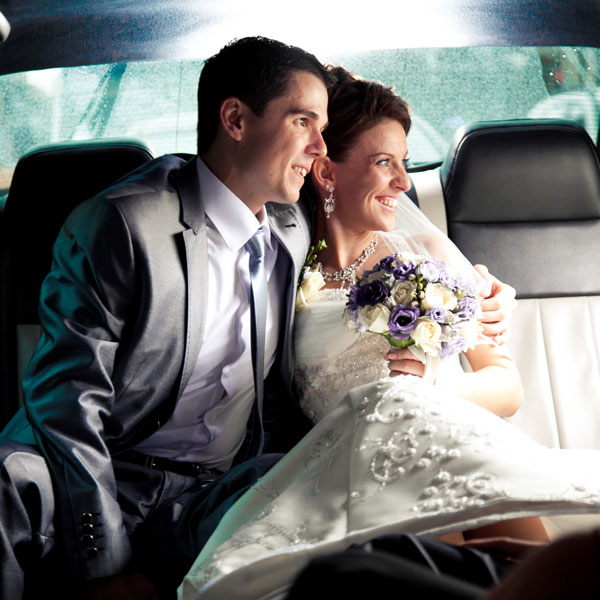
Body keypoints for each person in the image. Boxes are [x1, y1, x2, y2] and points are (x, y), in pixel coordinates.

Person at [177, 67, 600, 599]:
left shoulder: (428, 258)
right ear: (326, 173)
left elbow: (506, 384)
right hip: (347, 475)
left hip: (451, 444)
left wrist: (430, 392)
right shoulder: (280, 270)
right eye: (385, 163)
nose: (403, 183)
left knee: (407, 419)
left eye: (403, 163)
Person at [0, 36, 331, 599]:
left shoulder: (292, 230)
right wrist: (104, 561)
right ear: (235, 119)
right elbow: (65, 403)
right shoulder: (124, 225)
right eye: (303, 121)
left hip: (220, 484)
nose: (319, 147)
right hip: (98, 467)